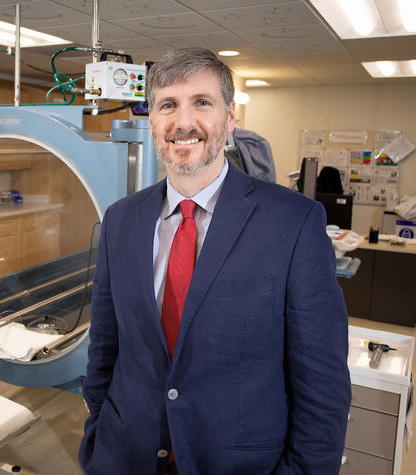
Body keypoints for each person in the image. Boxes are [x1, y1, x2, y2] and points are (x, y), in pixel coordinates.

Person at [78, 48, 351, 475]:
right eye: (168, 105)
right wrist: (98, 428)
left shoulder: (293, 221)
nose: (184, 122)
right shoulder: (120, 219)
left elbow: (322, 381)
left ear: (230, 118)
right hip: (125, 455)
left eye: (202, 103)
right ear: (152, 123)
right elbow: (105, 345)